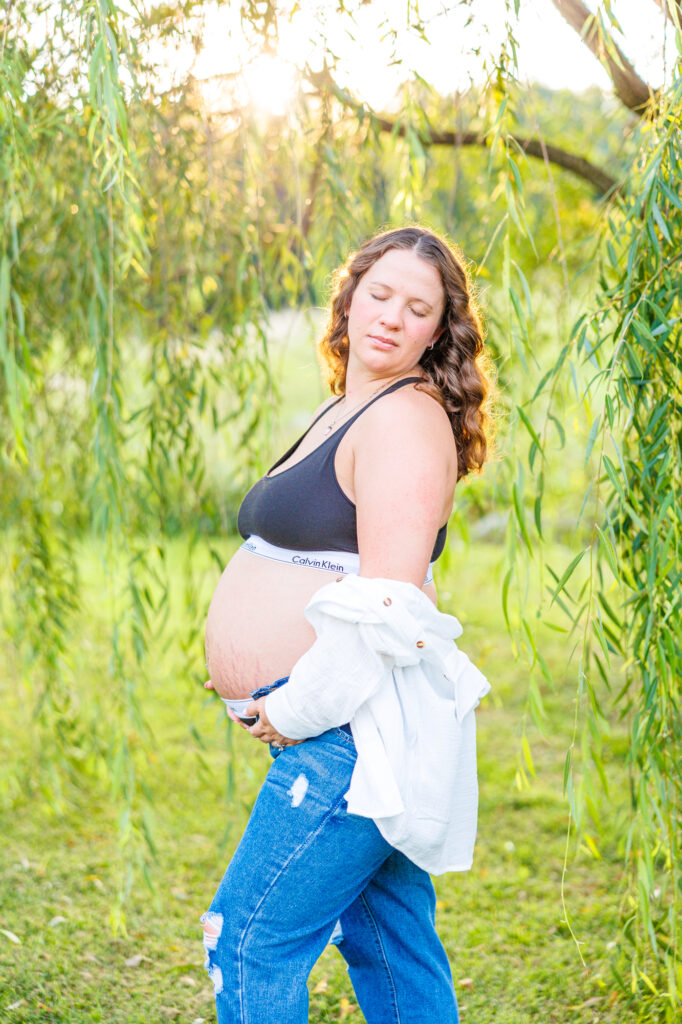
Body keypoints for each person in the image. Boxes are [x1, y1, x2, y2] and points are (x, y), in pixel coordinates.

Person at [201, 225, 496, 1024]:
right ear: (350, 295)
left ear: (441, 332)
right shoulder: (351, 407)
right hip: (345, 726)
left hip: (344, 734)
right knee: (391, 945)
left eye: (418, 308)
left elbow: (391, 609)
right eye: (380, 294)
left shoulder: (404, 418)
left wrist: (291, 707)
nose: (392, 317)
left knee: (247, 943)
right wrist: (240, 654)